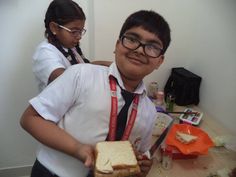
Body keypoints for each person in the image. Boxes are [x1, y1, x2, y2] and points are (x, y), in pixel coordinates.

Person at [20, 9, 171, 177]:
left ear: (160, 61)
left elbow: (140, 152)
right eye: (132, 39)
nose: (140, 50)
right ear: (117, 44)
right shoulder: (80, 75)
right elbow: (30, 119)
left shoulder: (149, 111)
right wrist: (77, 148)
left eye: (152, 47)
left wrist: (142, 166)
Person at [33, 0, 110, 92]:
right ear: (54, 28)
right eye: (73, 31)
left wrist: (109, 66)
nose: (79, 37)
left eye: (81, 31)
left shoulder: (70, 48)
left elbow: (82, 69)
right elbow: (67, 81)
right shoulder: (45, 52)